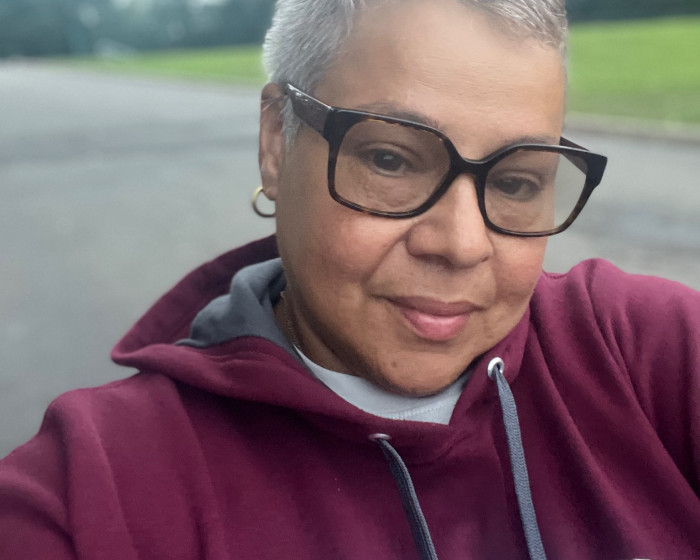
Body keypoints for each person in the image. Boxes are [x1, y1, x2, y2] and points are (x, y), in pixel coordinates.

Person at [1, 0, 699, 558]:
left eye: (517, 182)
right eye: (391, 160)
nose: (461, 245)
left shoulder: (643, 354)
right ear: (276, 141)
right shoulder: (95, 492)